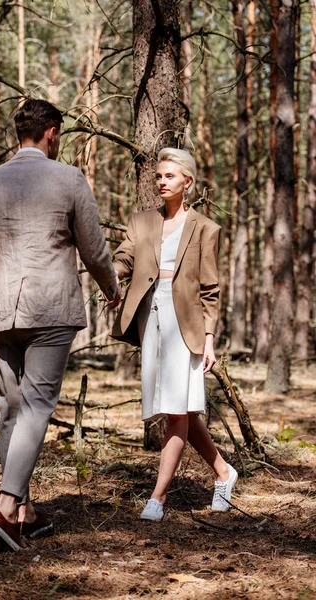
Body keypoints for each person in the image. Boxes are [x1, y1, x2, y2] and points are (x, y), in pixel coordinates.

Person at [0, 99, 120, 550]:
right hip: (51, 309)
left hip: (3, 313)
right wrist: (111, 287)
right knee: (35, 406)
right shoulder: (68, 178)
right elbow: (93, 248)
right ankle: (5, 504)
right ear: (51, 132)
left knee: (13, 409)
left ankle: (26, 515)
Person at [111, 147, 237, 521]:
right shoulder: (142, 222)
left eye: (169, 176)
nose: (161, 182)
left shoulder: (206, 229)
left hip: (188, 323)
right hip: (151, 317)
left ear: (188, 182)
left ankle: (158, 496)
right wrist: (111, 275)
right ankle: (224, 472)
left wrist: (210, 337)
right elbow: (124, 257)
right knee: (176, 408)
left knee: (177, 413)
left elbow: (210, 289)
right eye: (158, 176)